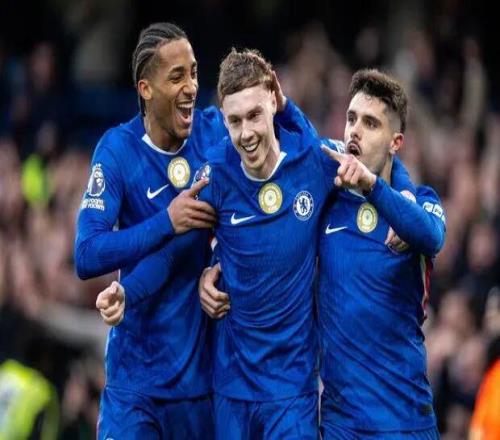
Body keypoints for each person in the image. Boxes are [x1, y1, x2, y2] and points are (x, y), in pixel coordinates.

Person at [96, 49, 414, 439]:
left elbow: (374, 159)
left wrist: (406, 194)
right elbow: (175, 252)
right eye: (234, 121)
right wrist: (129, 291)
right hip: (231, 391)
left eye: (254, 116)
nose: (245, 133)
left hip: (292, 394)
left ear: (272, 104)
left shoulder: (313, 161)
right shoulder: (215, 174)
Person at [76, 23, 315, 439]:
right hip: (134, 381)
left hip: (201, 383)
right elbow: (87, 254)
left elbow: (302, 152)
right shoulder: (117, 150)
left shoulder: (214, 133)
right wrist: (165, 222)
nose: (190, 87)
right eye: (176, 77)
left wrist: (216, 260)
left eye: (193, 72)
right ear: (146, 89)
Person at [318, 69, 445, 439]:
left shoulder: (418, 203)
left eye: (371, 123)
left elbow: (431, 236)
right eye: (351, 119)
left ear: (396, 142)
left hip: (405, 418)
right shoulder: (329, 199)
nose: (355, 131)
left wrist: (375, 187)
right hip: (341, 423)